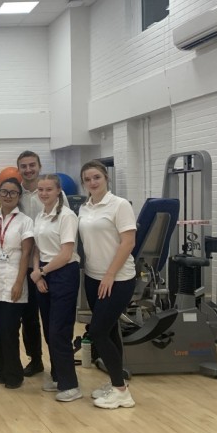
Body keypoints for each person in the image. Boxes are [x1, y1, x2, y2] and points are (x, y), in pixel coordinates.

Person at [78, 160, 137, 409]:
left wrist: (110, 274)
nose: (92, 182)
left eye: (97, 178)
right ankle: (116, 381)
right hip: (92, 278)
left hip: (117, 279)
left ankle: (122, 392)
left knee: (99, 332)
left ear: (106, 179)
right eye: (88, 179)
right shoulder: (84, 208)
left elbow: (128, 242)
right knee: (110, 331)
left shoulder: (119, 205)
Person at [29, 174, 82, 402]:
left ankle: (71, 384)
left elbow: (66, 253)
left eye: (48, 189)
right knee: (49, 330)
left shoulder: (67, 216)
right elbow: (37, 249)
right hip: (44, 272)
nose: (43, 193)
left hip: (63, 273)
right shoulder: (41, 215)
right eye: (40, 190)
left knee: (59, 331)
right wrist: (37, 275)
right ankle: (58, 376)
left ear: (58, 190)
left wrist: (42, 272)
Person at [16, 150, 66, 377]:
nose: (28, 170)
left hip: (51, 264)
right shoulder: (15, 194)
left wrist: (42, 270)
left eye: (32, 165)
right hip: (26, 264)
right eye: (24, 166)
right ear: (19, 170)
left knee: (51, 319)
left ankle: (58, 363)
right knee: (28, 317)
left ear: (39, 166)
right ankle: (35, 359)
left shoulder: (54, 195)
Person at [0, 178, 34, 389]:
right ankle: (2, 371)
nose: (8, 196)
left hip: (14, 282)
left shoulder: (25, 221)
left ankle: (15, 374)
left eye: (13, 193)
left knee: (9, 330)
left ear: (19, 197)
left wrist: (19, 282)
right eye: (4, 192)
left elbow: (26, 254)